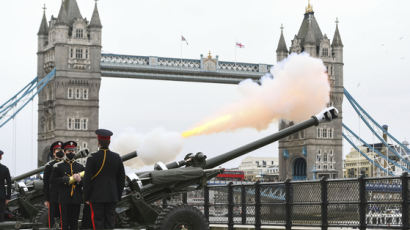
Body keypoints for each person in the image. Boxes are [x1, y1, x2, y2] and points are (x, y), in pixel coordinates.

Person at [83, 129, 125, 229]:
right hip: (112, 196)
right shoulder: (117, 157)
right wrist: (117, 196)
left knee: (98, 223)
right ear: (109, 142)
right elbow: (121, 179)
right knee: (110, 222)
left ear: (98, 142)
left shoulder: (92, 158)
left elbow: (87, 180)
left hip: (96, 197)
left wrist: (86, 197)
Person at [51, 141, 84, 230]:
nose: (71, 153)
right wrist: (63, 179)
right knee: (64, 224)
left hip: (76, 198)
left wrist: (80, 180)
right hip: (64, 198)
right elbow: (53, 181)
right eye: (69, 151)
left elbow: (86, 182)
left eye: (73, 151)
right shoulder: (58, 166)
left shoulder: (80, 167)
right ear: (65, 152)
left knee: (74, 224)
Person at [43, 141, 64, 228]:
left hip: (64, 195)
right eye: (58, 149)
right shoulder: (49, 165)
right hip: (53, 196)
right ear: (53, 152)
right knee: (52, 220)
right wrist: (46, 199)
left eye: (62, 149)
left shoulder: (66, 164)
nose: (60, 151)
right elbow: (46, 183)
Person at [0, 150, 11, 222]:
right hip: (1, 196)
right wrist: (8, 197)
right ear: (0, 157)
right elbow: (9, 183)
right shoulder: (5, 169)